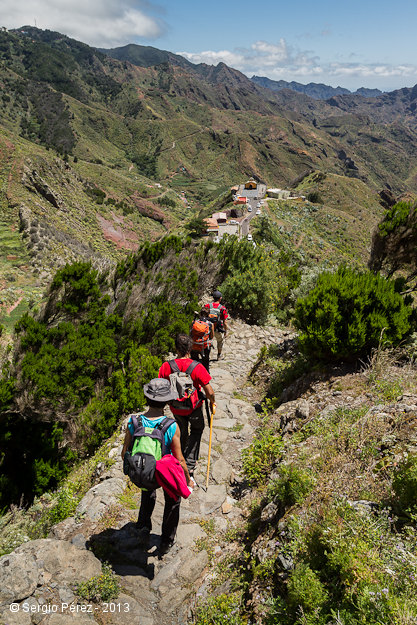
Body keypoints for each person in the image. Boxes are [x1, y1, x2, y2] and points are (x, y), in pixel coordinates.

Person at [121, 377, 193, 556]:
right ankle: (166, 541)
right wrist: (187, 479)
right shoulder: (171, 426)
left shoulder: (134, 422)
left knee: (147, 490)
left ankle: (143, 525)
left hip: (140, 472)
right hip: (161, 473)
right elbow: (180, 459)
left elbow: (124, 453)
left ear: (147, 399)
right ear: (167, 401)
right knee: (173, 499)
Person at [159, 334, 216, 477]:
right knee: (197, 430)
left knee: (182, 432)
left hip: (176, 408)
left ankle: (180, 458)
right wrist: (212, 402)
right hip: (194, 407)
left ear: (176, 348)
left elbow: (161, 388)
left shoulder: (166, 367)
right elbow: (209, 391)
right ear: (190, 348)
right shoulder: (197, 367)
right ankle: (190, 463)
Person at [204, 290, 228, 360]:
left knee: (206, 340)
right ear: (220, 298)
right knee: (220, 340)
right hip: (217, 328)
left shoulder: (207, 306)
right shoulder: (222, 308)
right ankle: (219, 355)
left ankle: (205, 355)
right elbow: (225, 322)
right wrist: (226, 331)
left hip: (207, 328)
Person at [190, 308, 214, 373]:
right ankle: (206, 373)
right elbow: (211, 336)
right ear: (208, 314)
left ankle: (194, 373)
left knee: (194, 361)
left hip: (194, 344)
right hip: (204, 345)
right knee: (205, 361)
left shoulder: (194, 322)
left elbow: (190, 333)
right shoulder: (210, 324)